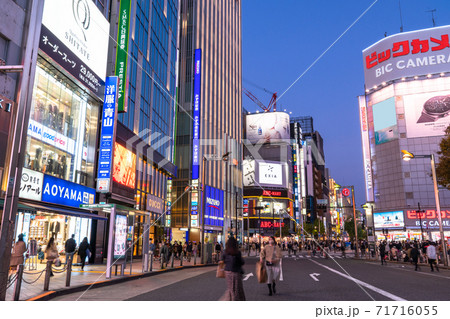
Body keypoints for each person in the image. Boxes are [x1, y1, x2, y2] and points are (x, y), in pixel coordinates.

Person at [221, 237, 246, 301]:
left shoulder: (225, 252)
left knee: (231, 289)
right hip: (236, 272)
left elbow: (222, 260)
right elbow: (241, 262)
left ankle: (231, 299)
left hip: (227, 272)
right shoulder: (237, 252)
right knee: (237, 289)